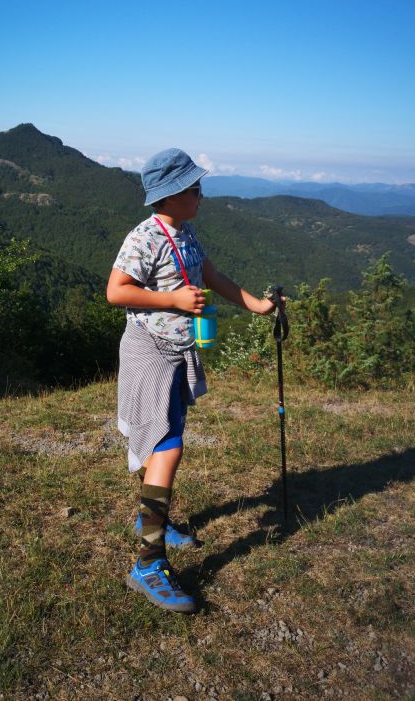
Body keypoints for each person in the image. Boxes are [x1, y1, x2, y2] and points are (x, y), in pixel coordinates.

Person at [106, 148, 282, 613]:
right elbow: (116, 291)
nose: (201, 194)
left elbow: (213, 276)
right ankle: (147, 562)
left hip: (178, 353)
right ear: (169, 196)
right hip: (149, 352)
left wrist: (258, 306)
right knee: (168, 445)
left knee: (169, 439)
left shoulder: (186, 234)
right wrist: (175, 302)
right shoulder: (143, 237)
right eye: (193, 188)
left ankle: (152, 522)